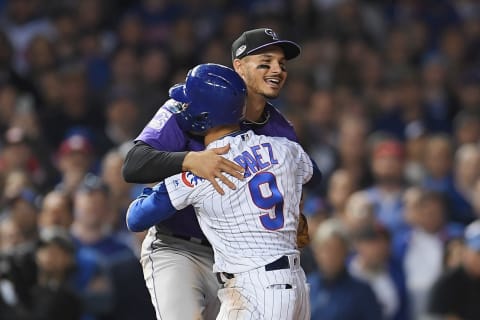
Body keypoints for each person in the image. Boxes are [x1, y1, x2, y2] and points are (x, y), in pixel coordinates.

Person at [122, 28, 317, 319]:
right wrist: (189, 159)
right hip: (178, 246)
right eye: (265, 62)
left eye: (281, 64)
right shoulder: (187, 105)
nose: (276, 69)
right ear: (238, 66)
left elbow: (310, 176)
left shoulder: (279, 128)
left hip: (238, 265)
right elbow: (134, 164)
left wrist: (293, 205)